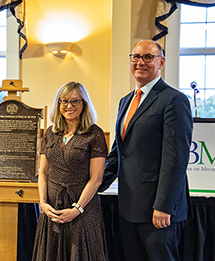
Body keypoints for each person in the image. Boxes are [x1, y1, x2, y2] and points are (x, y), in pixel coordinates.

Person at [98, 40, 193, 261]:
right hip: (129, 207)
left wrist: (163, 206)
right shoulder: (125, 101)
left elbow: (175, 159)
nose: (140, 62)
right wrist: (92, 187)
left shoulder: (174, 100)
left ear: (161, 62)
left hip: (157, 212)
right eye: (136, 57)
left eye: (148, 57)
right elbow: (118, 154)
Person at [32, 81, 109, 261]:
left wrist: (77, 209)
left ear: (84, 104)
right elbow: (43, 172)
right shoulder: (50, 133)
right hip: (52, 211)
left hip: (82, 212)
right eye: (64, 101)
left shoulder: (94, 134)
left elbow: (96, 179)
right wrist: (42, 203)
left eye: (75, 101)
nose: (69, 106)